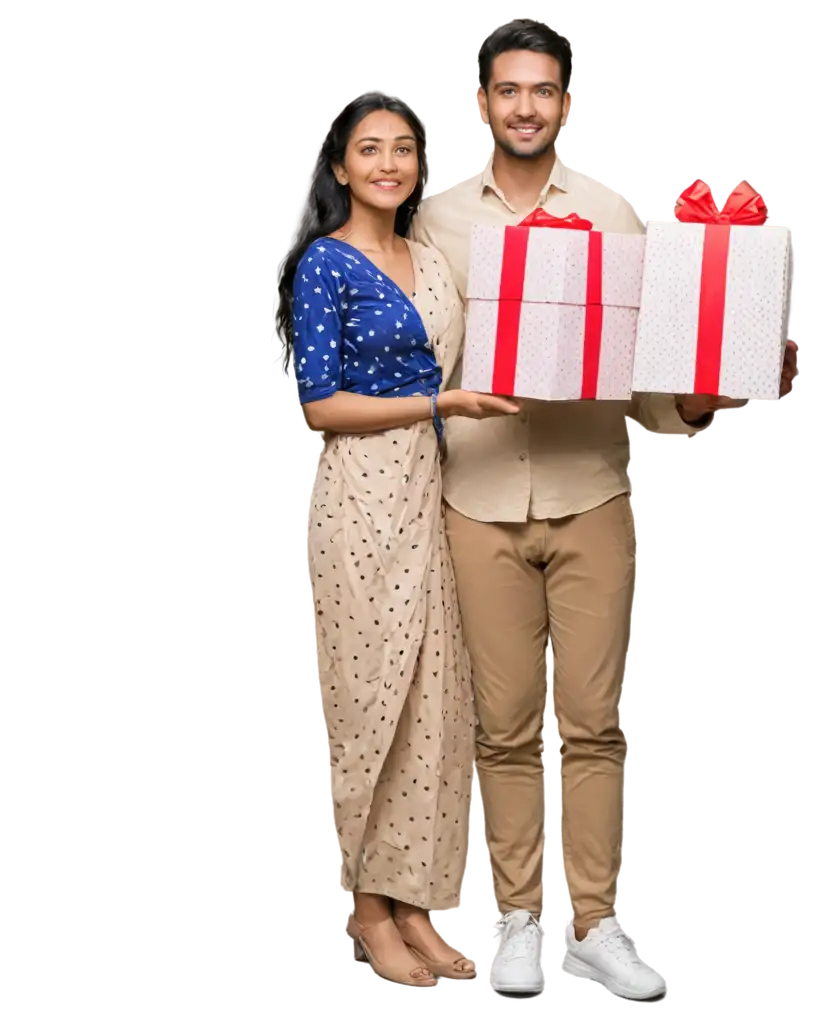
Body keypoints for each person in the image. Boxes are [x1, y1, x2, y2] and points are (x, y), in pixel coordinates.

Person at [409, 17, 794, 1002]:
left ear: (566, 105)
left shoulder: (620, 215)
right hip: (478, 499)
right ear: (481, 104)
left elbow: (674, 386)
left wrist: (729, 365)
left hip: (591, 494)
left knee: (593, 723)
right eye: (508, 90)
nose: (525, 106)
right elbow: (415, 362)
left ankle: (594, 923)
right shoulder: (439, 221)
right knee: (501, 728)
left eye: (543, 90)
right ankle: (512, 919)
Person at [271, 90, 521, 988]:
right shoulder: (325, 267)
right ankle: (367, 908)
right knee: (368, 699)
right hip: (362, 494)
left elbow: (473, 365)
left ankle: (411, 895)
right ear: (340, 167)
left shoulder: (429, 259)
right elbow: (320, 405)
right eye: (369, 149)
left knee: (432, 706)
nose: (389, 163)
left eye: (404, 148)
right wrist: (438, 404)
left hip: (435, 488)